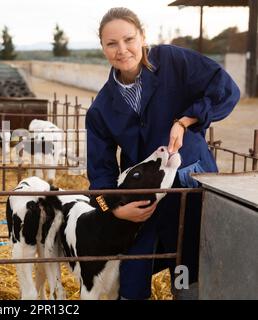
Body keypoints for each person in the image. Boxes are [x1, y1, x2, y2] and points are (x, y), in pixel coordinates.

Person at [85, 7, 240, 300]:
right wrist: (115, 208)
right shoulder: (101, 109)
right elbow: (100, 171)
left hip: (189, 185)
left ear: (143, 37)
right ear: (102, 48)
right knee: (132, 274)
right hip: (143, 199)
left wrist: (185, 120)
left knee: (188, 270)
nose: (122, 50)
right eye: (111, 43)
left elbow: (225, 89)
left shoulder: (172, 61)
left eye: (129, 39)